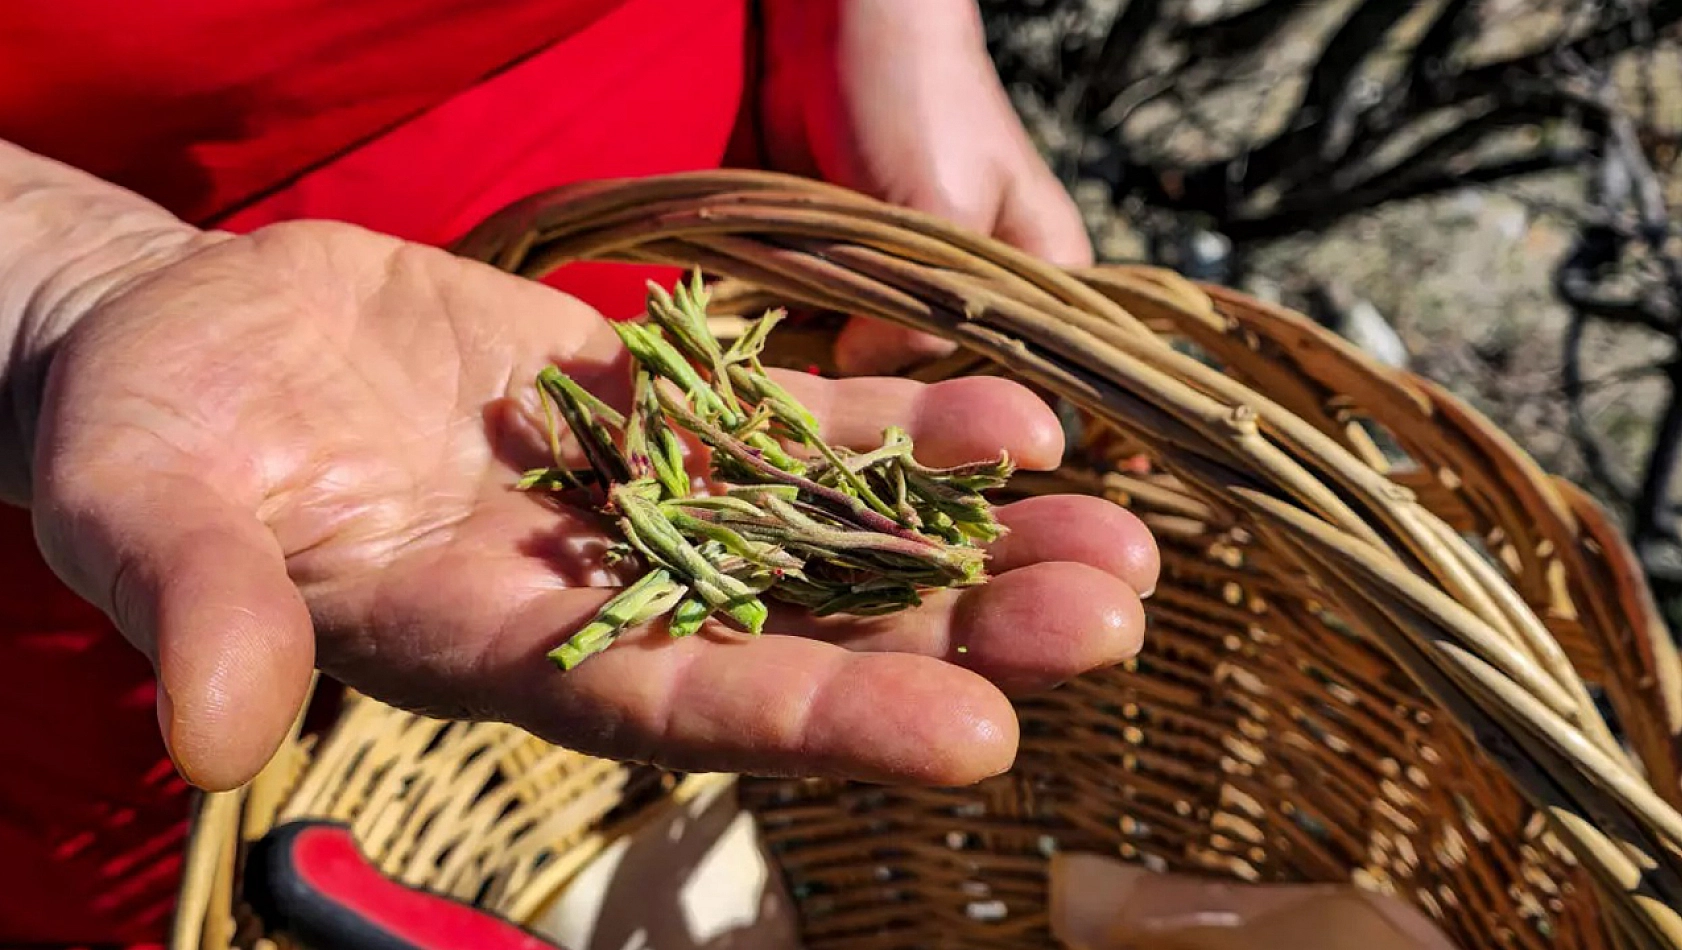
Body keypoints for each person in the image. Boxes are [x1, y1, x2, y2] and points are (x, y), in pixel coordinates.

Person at [0, 0, 1160, 943]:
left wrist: (888, 22)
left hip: (672, 236)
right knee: (170, 872)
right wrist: (67, 276)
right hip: (188, 409)